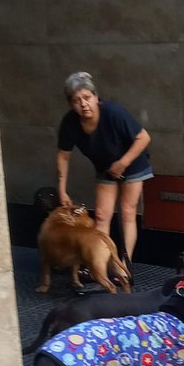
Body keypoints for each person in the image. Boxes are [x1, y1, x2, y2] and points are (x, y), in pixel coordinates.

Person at [56, 72, 153, 261]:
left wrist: (122, 163)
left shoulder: (114, 112)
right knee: (101, 215)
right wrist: (62, 189)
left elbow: (144, 138)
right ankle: (99, 263)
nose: (83, 104)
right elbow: (63, 156)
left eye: (87, 97)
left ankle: (125, 264)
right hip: (106, 167)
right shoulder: (69, 123)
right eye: (77, 100)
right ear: (71, 104)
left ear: (95, 97)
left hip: (132, 162)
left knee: (127, 211)